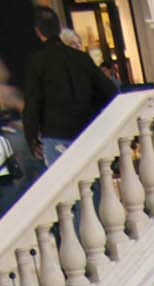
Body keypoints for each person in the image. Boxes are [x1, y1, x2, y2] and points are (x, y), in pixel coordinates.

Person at [22, 8, 116, 169]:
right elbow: (109, 92)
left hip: (55, 135)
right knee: (94, 182)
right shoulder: (81, 58)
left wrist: (32, 139)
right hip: (87, 132)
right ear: (59, 28)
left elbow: (33, 103)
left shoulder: (37, 63)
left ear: (38, 32)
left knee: (65, 185)